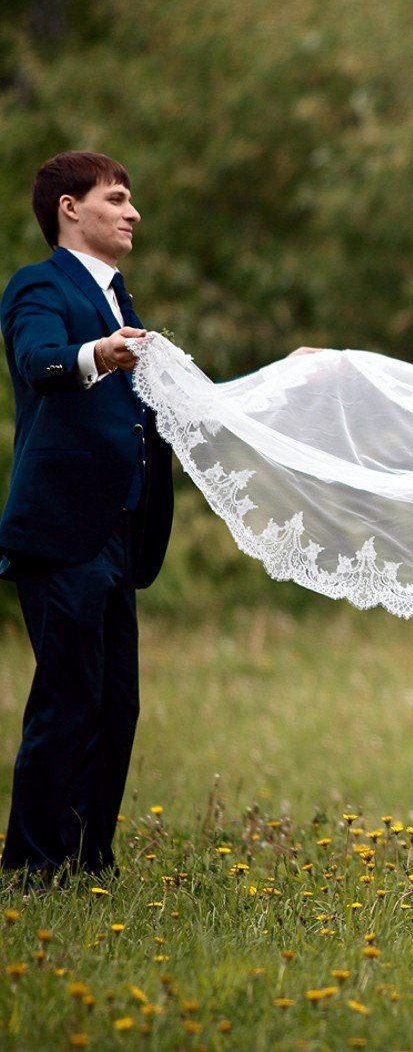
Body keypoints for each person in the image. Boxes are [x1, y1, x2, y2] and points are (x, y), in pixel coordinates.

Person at [0, 152, 174, 881]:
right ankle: (33, 865)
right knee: (67, 698)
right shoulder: (39, 287)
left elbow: (180, 396)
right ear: (71, 208)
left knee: (116, 704)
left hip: (118, 532)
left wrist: (286, 378)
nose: (132, 212)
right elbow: (37, 359)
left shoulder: (121, 302)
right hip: (63, 526)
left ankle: (86, 858)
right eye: (118, 198)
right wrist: (97, 353)